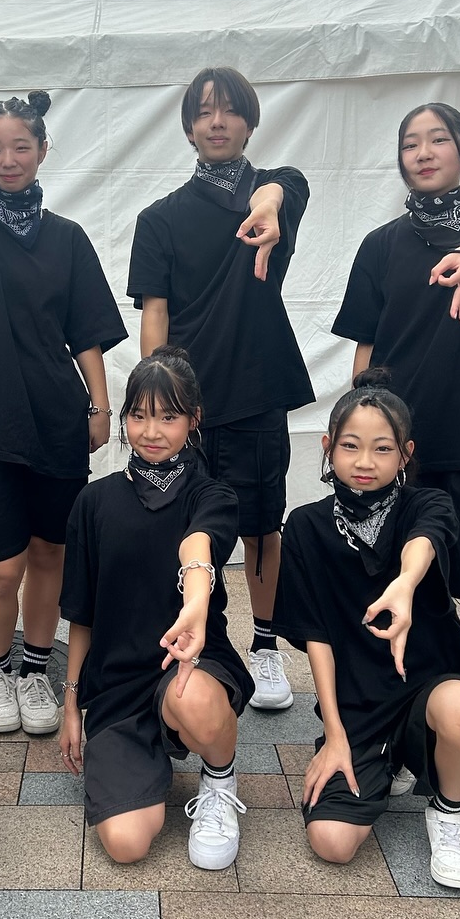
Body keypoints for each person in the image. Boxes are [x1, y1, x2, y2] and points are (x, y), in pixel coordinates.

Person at [272, 370, 460, 890]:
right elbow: (317, 638)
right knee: (332, 843)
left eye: (382, 449)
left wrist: (404, 585)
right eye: (351, 446)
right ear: (328, 447)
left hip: (428, 684)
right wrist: (335, 735)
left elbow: (426, 538)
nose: (365, 461)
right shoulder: (306, 527)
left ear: (405, 455)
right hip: (358, 702)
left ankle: (450, 811)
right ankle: (386, 757)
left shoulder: (427, 504)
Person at [0, 92, 127, 738]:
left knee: (51, 554)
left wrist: (99, 405)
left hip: (56, 413)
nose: (9, 159)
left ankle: (34, 670)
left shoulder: (68, 238)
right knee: (2, 564)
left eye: (21, 146)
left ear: (44, 150)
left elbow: (88, 334)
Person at [330, 102, 460, 689]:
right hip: (402, 432)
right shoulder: (380, 245)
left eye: (438, 140)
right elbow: (365, 345)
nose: (423, 153)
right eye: (410, 144)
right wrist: (361, 426)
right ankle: (399, 691)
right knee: (397, 565)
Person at [126, 67, 315, 713]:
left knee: (263, 526)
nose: (216, 121)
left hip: (259, 389)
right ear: (187, 128)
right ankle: (200, 637)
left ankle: (265, 645)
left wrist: (269, 199)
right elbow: (154, 311)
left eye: (229, 110)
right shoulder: (159, 219)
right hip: (189, 404)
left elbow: (293, 182)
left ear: (249, 122)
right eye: (203, 111)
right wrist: (158, 401)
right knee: (185, 528)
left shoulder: (272, 200)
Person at [58, 346, 255, 871]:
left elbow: (199, 544)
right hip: (116, 686)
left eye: (168, 417)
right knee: (126, 844)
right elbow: (82, 613)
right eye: (139, 415)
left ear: (194, 420)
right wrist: (71, 705)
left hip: (190, 664)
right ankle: (145, 757)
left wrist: (196, 602)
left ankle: (219, 781)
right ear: (124, 418)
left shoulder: (212, 494)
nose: (151, 431)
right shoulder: (94, 502)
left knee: (193, 701)